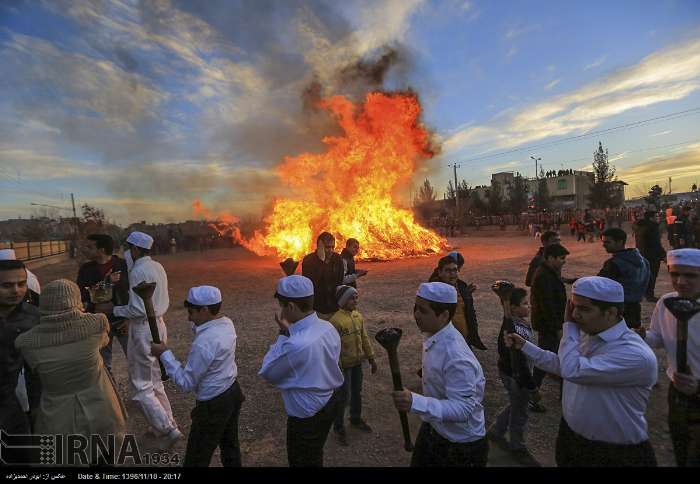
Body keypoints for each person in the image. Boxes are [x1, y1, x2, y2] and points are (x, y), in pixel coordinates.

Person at [505, 276, 658, 467]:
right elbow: (564, 365)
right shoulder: (590, 333)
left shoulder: (634, 355)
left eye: (584, 309)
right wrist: (525, 346)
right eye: (574, 307)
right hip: (572, 439)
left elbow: (573, 370)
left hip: (613, 453)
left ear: (611, 312)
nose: (574, 315)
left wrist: (568, 328)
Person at [15, 280, 127, 465]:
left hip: (57, 417)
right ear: (77, 300)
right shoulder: (97, 323)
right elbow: (105, 340)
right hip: (101, 408)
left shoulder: (26, 342)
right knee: (104, 462)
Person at [392, 282, 488, 467]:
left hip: (460, 446)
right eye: (415, 308)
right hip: (435, 427)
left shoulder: (456, 356)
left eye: (423, 310)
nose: (416, 315)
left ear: (444, 315)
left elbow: (463, 409)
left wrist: (415, 402)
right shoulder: (433, 333)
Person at [151, 286, 244, 467]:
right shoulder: (226, 323)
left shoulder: (204, 342)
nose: (188, 317)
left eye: (191, 312)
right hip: (232, 392)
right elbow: (199, 328)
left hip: (213, 405)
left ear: (205, 310)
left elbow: (186, 383)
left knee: (197, 457)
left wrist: (164, 354)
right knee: (230, 448)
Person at [259, 275, 344, 467]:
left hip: (306, 417)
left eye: (282, 306)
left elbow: (268, 372)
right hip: (329, 401)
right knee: (315, 456)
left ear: (290, 307)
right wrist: (290, 331)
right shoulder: (327, 327)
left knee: (302, 461)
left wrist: (282, 334)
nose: (280, 310)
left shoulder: (297, 344)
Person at [113, 231, 183, 449]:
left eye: (127, 248)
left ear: (134, 249)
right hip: (157, 326)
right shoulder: (157, 266)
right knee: (153, 380)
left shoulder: (139, 271)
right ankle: (165, 422)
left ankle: (167, 430)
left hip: (143, 327)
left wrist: (113, 309)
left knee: (141, 385)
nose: (126, 252)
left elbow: (137, 308)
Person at [637, 248, 700, 466]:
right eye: (675, 274)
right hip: (678, 392)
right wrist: (640, 336)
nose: (681, 282)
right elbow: (658, 338)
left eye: (691, 275)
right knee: (681, 447)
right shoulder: (667, 303)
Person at [488, 286, 539, 466]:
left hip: (514, 373)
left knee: (516, 403)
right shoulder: (513, 328)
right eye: (525, 303)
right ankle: (517, 445)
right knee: (520, 412)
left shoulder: (516, 323)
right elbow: (519, 361)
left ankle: (496, 430)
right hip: (516, 376)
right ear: (514, 308)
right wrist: (531, 386)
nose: (529, 306)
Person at [0, 259, 41, 467]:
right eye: (6, 285)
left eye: (21, 284)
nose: (16, 290)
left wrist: (37, 408)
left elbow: (35, 369)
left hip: (10, 406)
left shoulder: (33, 317)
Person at [329, 285, 377, 446]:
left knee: (357, 392)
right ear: (343, 300)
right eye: (351, 298)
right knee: (343, 396)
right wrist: (338, 366)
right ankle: (339, 426)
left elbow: (364, 338)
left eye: (356, 297)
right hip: (345, 366)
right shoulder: (335, 321)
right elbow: (334, 348)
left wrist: (371, 357)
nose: (355, 300)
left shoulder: (358, 316)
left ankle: (355, 418)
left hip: (358, 362)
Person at [76, 234, 130, 373]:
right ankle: (109, 393)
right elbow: (81, 295)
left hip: (123, 321)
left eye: (90, 247)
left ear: (101, 250)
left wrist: (129, 318)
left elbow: (133, 294)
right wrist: (106, 283)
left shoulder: (123, 265)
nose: (86, 250)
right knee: (103, 366)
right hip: (98, 323)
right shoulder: (86, 270)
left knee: (134, 358)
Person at [530, 243, 569, 412]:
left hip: (550, 324)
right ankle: (532, 393)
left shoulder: (548, 272)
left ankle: (535, 391)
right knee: (546, 359)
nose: (563, 262)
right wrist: (557, 328)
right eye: (561, 259)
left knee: (550, 358)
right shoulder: (544, 276)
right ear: (550, 258)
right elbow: (548, 306)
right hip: (549, 326)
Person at [429, 254, 487, 350]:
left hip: (464, 341)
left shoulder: (462, 287)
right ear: (439, 272)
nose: (452, 274)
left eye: (455, 270)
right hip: (445, 344)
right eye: (448, 270)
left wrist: (467, 294)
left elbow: (469, 313)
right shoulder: (434, 292)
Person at [598, 228, 650, 329]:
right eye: (603, 242)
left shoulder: (614, 264)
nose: (603, 245)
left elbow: (598, 285)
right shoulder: (644, 261)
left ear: (620, 242)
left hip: (618, 310)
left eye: (607, 242)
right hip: (635, 308)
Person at [302, 232, 344, 320]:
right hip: (317, 309)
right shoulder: (309, 261)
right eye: (327, 247)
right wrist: (321, 261)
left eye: (333, 247)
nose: (331, 250)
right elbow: (311, 284)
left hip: (334, 307)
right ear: (319, 247)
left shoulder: (337, 259)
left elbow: (340, 281)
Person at [634, 211, 667, 302]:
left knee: (646, 275)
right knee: (652, 275)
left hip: (642, 254)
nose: (658, 217)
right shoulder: (652, 227)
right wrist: (663, 255)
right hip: (652, 255)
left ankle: (645, 293)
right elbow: (655, 244)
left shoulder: (641, 227)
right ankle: (649, 295)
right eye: (656, 216)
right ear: (650, 218)